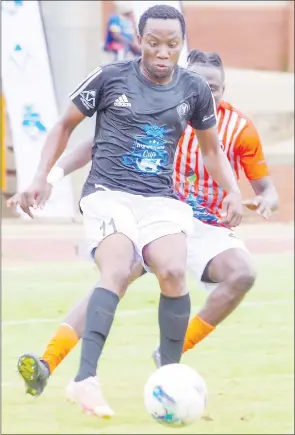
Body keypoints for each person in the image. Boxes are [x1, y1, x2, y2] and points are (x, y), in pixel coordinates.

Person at [9, 5, 243, 417]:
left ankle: (170, 376)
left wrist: (233, 192)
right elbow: (66, 127)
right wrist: (42, 176)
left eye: (172, 44)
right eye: (154, 43)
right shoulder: (108, 78)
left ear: (181, 44)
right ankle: (85, 380)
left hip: (160, 199)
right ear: (140, 40)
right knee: (117, 268)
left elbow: (212, 149)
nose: (162, 52)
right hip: (108, 193)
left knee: (172, 270)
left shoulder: (193, 89)